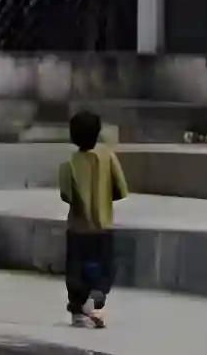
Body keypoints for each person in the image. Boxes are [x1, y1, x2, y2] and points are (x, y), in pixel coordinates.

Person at [58, 110, 128, 328]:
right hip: (103, 228)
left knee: (76, 271)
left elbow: (66, 195)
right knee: (104, 269)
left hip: (77, 229)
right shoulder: (108, 157)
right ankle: (95, 303)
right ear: (98, 133)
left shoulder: (68, 164)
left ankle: (78, 311)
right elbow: (121, 190)